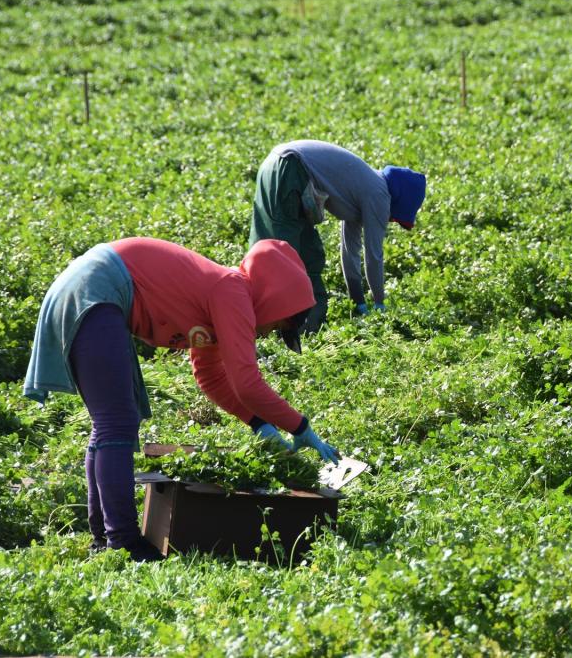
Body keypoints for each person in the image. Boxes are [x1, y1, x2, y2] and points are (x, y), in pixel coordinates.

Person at [23, 238, 341, 561]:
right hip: (96, 289)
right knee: (115, 424)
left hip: (88, 287)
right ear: (275, 301)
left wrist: (258, 423)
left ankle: (104, 538)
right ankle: (122, 542)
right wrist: (298, 426)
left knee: (112, 424)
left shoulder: (223, 296)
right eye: (280, 325)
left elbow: (211, 377)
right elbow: (247, 382)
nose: (271, 332)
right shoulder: (233, 292)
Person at [250, 139, 427, 333]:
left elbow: (350, 252)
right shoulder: (379, 194)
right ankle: (273, 326)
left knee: (309, 255)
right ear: (398, 201)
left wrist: (358, 303)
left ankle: (306, 325)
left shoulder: (362, 189)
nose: (390, 220)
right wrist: (379, 304)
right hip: (290, 169)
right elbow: (374, 256)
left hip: (279, 164)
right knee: (283, 258)